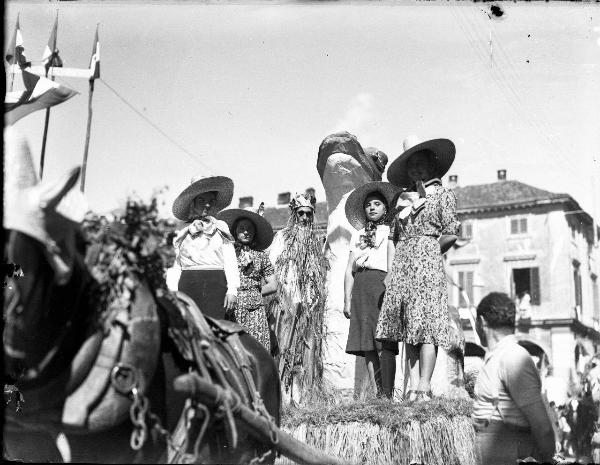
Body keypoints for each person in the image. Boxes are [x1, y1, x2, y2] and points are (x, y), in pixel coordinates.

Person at [375, 136, 460, 402]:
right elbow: (395, 237)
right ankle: (411, 388)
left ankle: (424, 386)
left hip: (427, 263)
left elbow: (450, 233)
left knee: (427, 326)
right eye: (412, 167)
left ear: (432, 167)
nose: (417, 171)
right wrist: (395, 267)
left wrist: (430, 251)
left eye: (421, 165)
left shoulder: (443, 195)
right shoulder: (402, 200)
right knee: (407, 327)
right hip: (403, 264)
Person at [472, 292, 555, 465]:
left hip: (509, 454)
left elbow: (543, 427)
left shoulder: (512, 356)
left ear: (482, 321)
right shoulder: (500, 355)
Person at [268, 192, 328, 400]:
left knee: (305, 347)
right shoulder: (282, 236)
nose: (304, 218)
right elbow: (273, 269)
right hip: (287, 299)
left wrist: (315, 299)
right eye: (300, 213)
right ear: (294, 214)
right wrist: (282, 298)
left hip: (308, 302)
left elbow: (319, 272)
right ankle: (281, 393)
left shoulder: (314, 241)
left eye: (308, 215)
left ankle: (300, 394)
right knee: (285, 344)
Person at [343, 181, 400, 398]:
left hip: (381, 284)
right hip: (361, 286)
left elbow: (393, 263)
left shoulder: (390, 231)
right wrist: (347, 299)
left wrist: (391, 288)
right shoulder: (357, 235)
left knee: (383, 341)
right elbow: (349, 269)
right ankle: (377, 394)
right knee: (367, 343)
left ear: (386, 207)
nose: (372, 208)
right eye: (368, 205)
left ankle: (388, 393)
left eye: (377, 204)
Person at [171, 175, 240, 320]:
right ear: (192, 202)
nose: (206, 205)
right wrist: (172, 291)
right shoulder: (182, 230)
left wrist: (232, 290)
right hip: (188, 285)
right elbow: (176, 264)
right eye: (201, 200)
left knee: (217, 330)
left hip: (216, 286)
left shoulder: (220, 227)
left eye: (210, 201)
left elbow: (230, 261)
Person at [218, 205, 277, 351]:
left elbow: (273, 284)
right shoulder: (227, 254)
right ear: (235, 231)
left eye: (250, 229)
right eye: (242, 228)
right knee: (235, 350)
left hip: (255, 311)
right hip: (233, 309)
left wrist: (254, 292)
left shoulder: (261, 256)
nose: (246, 232)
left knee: (257, 350)